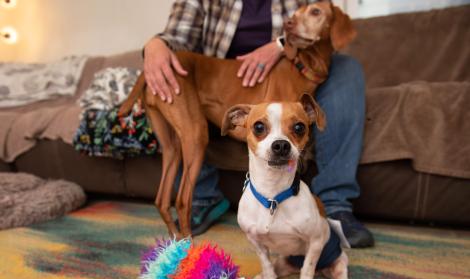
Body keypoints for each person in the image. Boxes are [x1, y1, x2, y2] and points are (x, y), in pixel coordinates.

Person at [143, 0, 374, 248]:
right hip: (223, 79)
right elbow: (178, 37)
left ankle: (335, 205)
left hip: (288, 64)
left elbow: (324, 30)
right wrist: (156, 44)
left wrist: (279, 45)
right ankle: (203, 197)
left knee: (347, 67)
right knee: (173, 83)